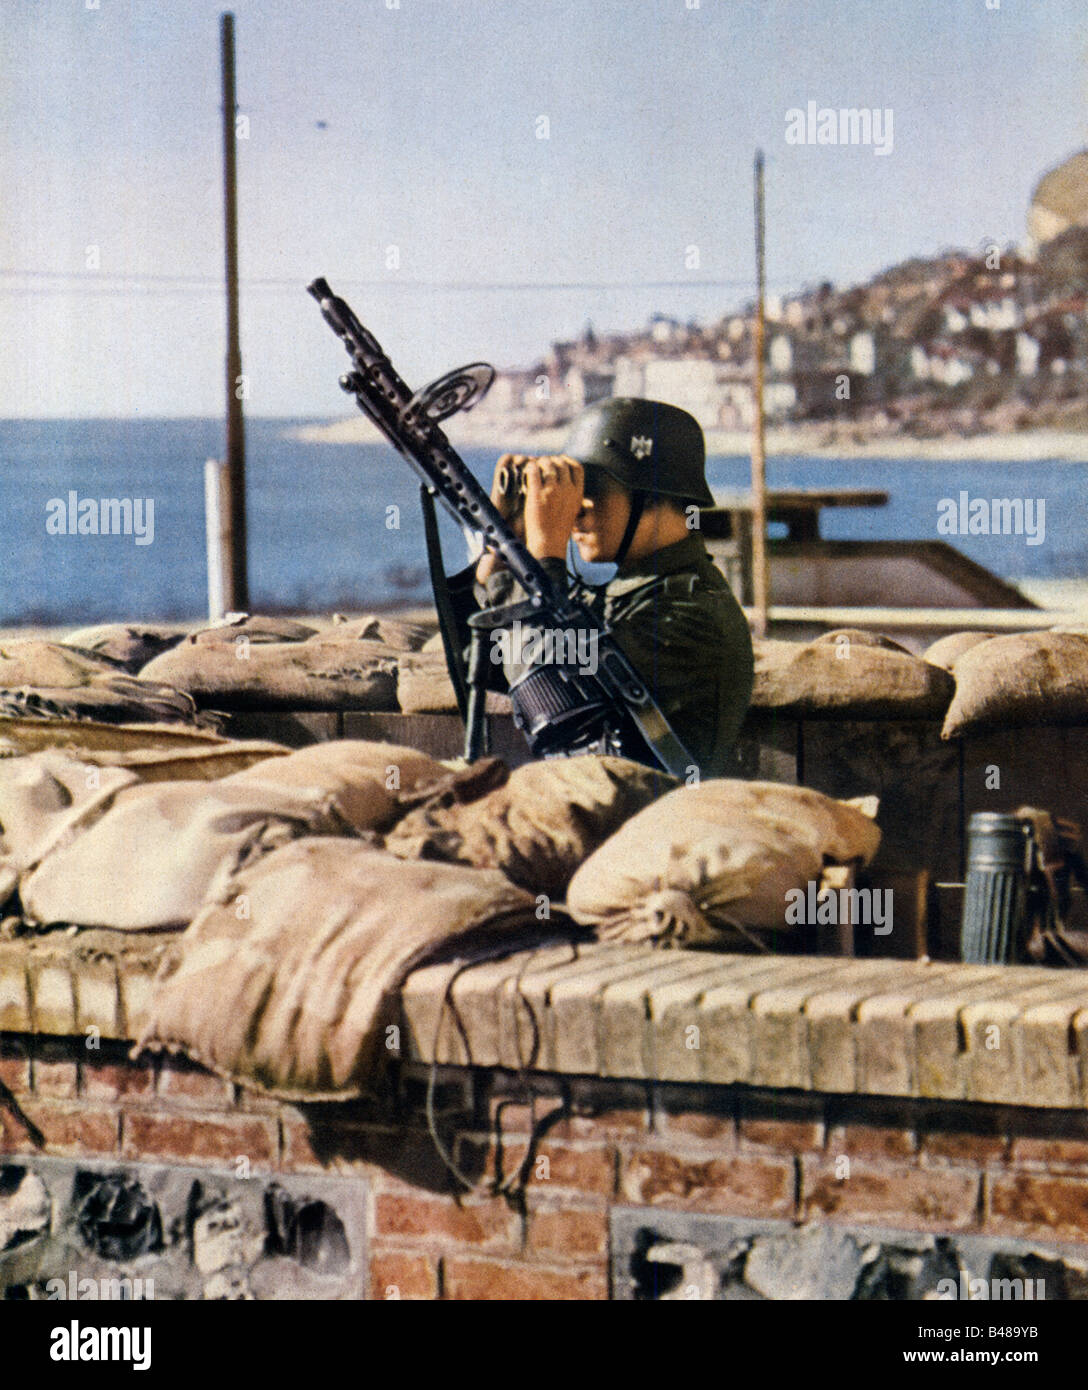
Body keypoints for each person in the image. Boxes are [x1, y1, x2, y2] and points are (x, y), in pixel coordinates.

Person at [456, 397, 754, 777]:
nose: (575, 509)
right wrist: (502, 553)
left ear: (653, 495)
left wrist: (546, 552)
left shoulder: (693, 616)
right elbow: (483, 666)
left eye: (590, 486)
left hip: (649, 822)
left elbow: (552, 706)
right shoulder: (623, 595)